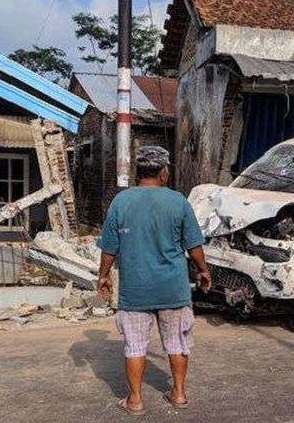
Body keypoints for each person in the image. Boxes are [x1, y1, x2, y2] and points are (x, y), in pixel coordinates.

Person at [96, 146, 212, 416]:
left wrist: (103, 276)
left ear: (140, 172)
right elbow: (194, 245)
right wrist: (203, 270)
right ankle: (179, 394)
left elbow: (109, 248)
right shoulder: (178, 202)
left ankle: (135, 400)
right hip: (173, 288)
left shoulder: (120, 202)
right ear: (163, 172)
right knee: (177, 343)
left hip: (135, 291)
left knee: (134, 346)